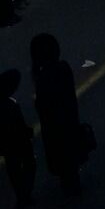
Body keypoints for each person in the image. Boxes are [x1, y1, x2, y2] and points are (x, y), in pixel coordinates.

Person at [30, 33, 85, 196]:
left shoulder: (42, 79)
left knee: (61, 157)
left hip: (53, 128)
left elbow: (42, 106)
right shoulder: (63, 68)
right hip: (68, 121)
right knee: (69, 156)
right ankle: (73, 184)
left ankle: (68, 185)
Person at [0, 69, 35, 209]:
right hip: (18, 141)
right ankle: (24, 196)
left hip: (7, 144)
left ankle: (22, 197)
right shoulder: (11, 105)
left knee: (14, 168)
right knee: (28, 165)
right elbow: (18, 125)